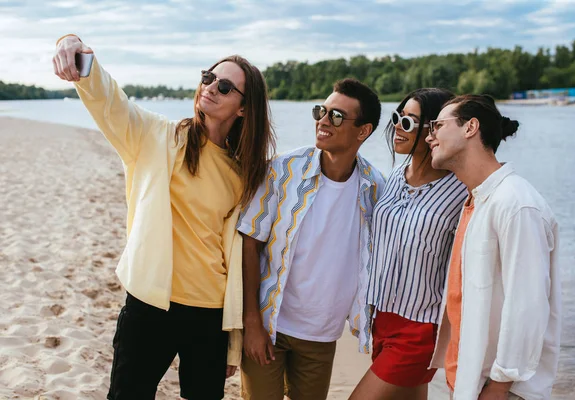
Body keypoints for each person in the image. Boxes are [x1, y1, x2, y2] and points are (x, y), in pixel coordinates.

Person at [53, 34, 276, 400]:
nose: (211, 89)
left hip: (210, 313)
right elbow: (110, 101)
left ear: (243, 108)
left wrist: (233, 342)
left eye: (224, 86)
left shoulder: (244, 174)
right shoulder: (157, 136)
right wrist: (76, 48)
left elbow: (236, 261)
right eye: (208, 77)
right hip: (150, 305)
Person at [237, 78, 385, 400]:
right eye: (322, 111)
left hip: (322, 333)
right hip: (270, 322)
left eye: (336, 116)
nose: (323, 121)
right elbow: (250, 240)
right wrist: (251, 322)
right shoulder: (283, 170)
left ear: (363, 131)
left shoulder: (375, 188)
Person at [426, 95, 561, 399]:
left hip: (500, 389)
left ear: (470, 127)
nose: (429, 136)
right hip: (468, 381)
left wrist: (500, 386)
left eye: (437, 125)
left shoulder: (516, 203)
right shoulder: (476, 198)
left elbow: (528, 305)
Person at [350, 88, 468, 400]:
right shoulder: (392, 177)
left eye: (409, 122)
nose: (398, 128)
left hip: (421, 328)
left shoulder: (461, 192)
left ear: (435, 130)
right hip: (382, 318)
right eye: (397, 118)